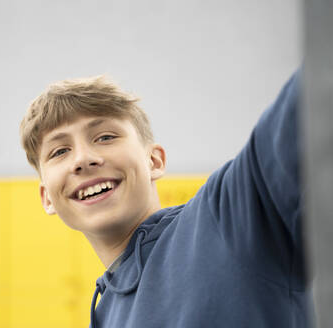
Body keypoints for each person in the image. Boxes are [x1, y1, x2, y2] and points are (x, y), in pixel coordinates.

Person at [19, 70, 313, 327]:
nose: (82, 159)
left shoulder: (226, 221)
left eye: (105, 137)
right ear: (47, 198)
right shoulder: (105, 314)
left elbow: (311, 94)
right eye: (59, 151)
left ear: (154, 161)